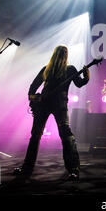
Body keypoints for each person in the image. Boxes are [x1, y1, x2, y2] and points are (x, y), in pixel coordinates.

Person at [14, 45, 90, 181]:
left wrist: (33, 97)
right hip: (54, 104)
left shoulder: (52, 69)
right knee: (65, 135)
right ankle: (73, 170)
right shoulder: (62, 69)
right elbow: (79, 83)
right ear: (66, 56)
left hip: (50, 105)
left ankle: (27, 169)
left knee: (37, 136)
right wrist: (86, 77)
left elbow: (32, 88)